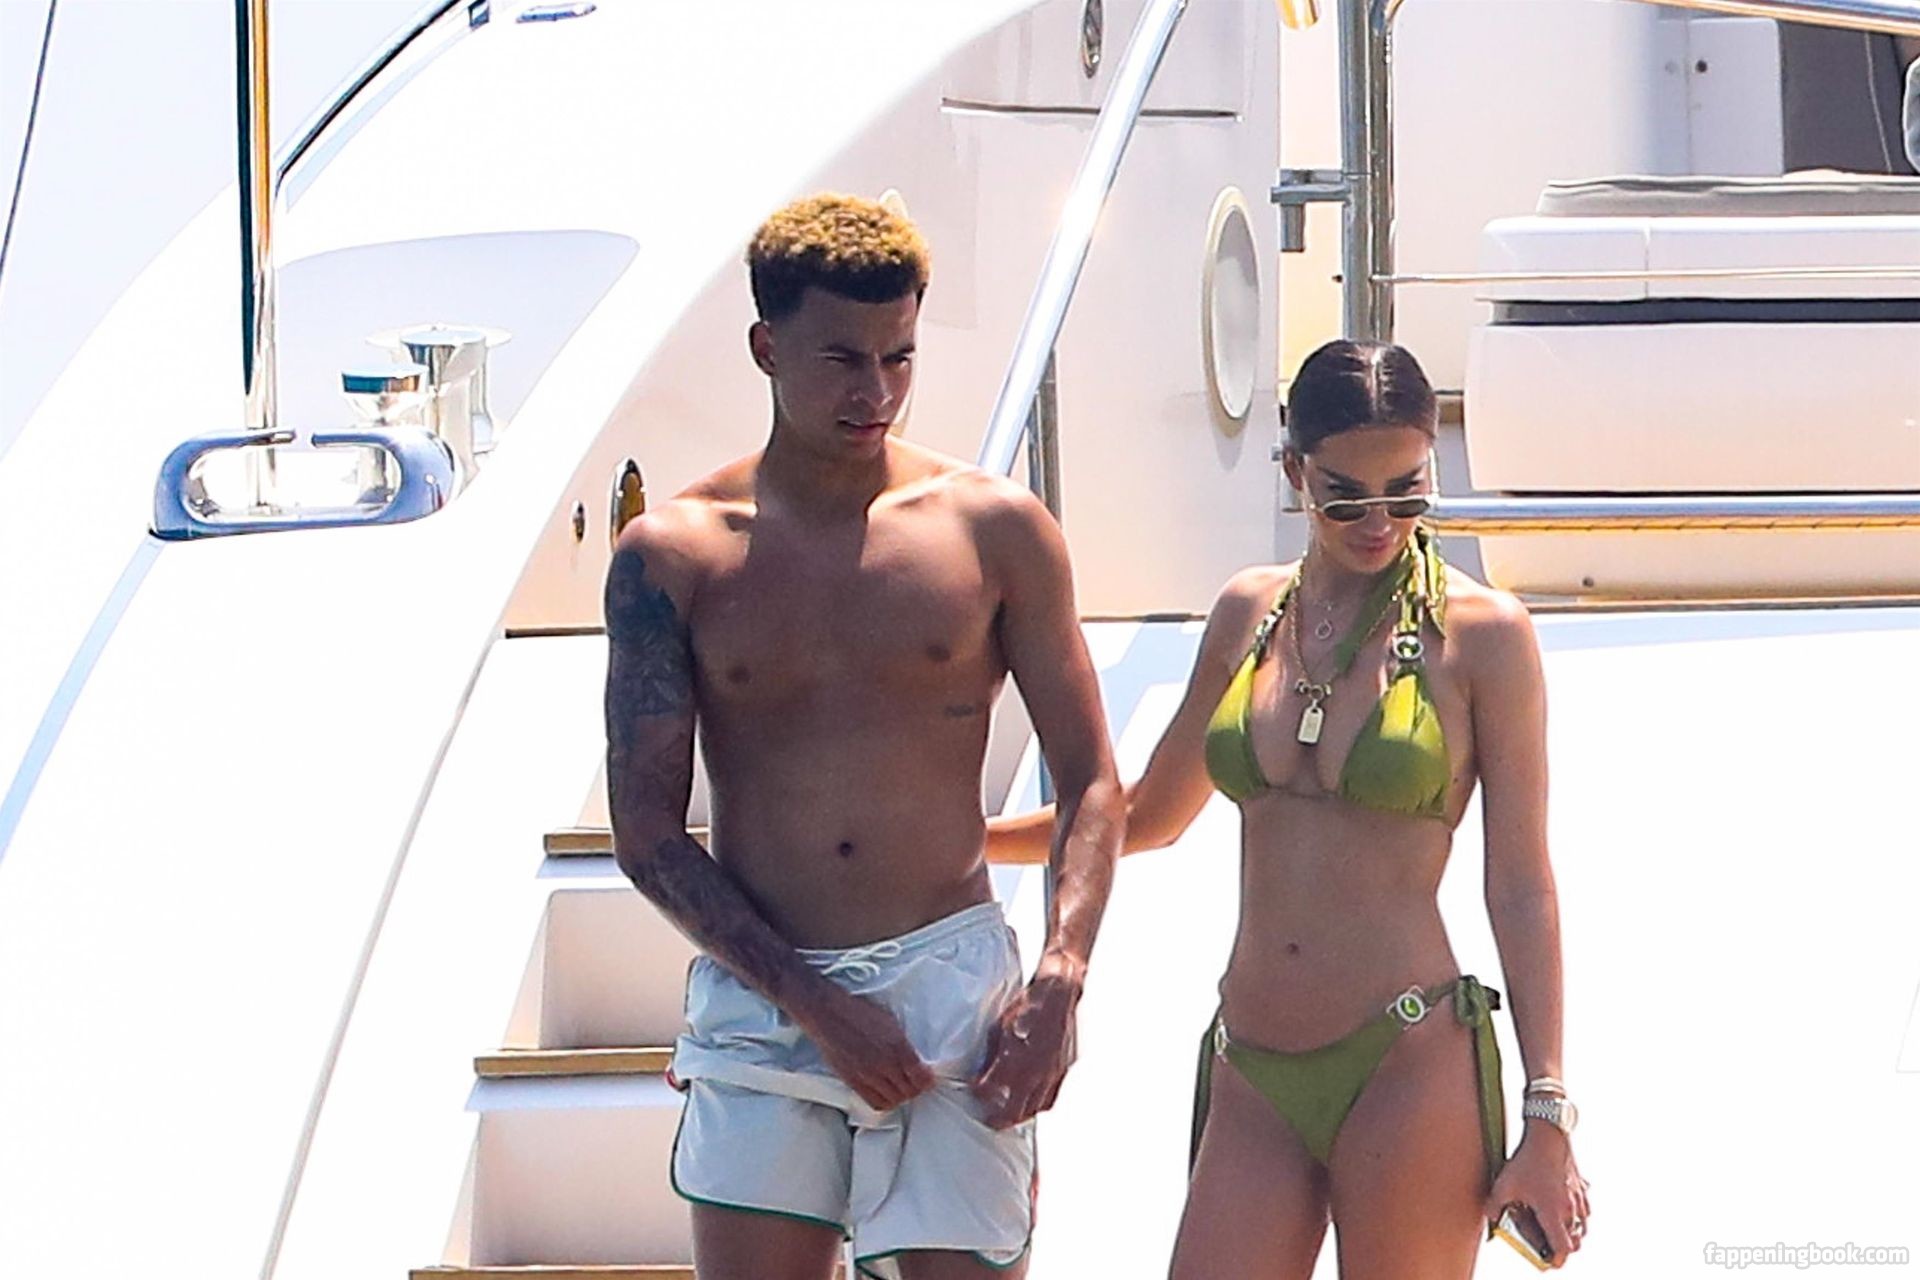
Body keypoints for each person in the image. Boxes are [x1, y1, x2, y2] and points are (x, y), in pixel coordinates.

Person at [603, 193, 1124, 1280]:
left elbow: (1091, 781)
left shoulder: (996, 530)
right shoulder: (676, 555)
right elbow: (646, 831)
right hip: (765, 996)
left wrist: (1062, 974)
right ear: (767, 347)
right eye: (842, 359)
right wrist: (814, 1002)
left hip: (955, 992)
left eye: (899, 357)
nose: (875, 391)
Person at [989, 340, 1588, 1276]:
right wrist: (973, 842)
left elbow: (1520, 883)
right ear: (1294, 470)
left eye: (1408, 491)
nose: (1379, 522)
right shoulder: (1248, 612)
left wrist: (1547, 1109)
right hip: (1252, 1061)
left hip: (1408, 1052)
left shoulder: (1484, 636)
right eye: (1346, 497)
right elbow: (1150, 813)